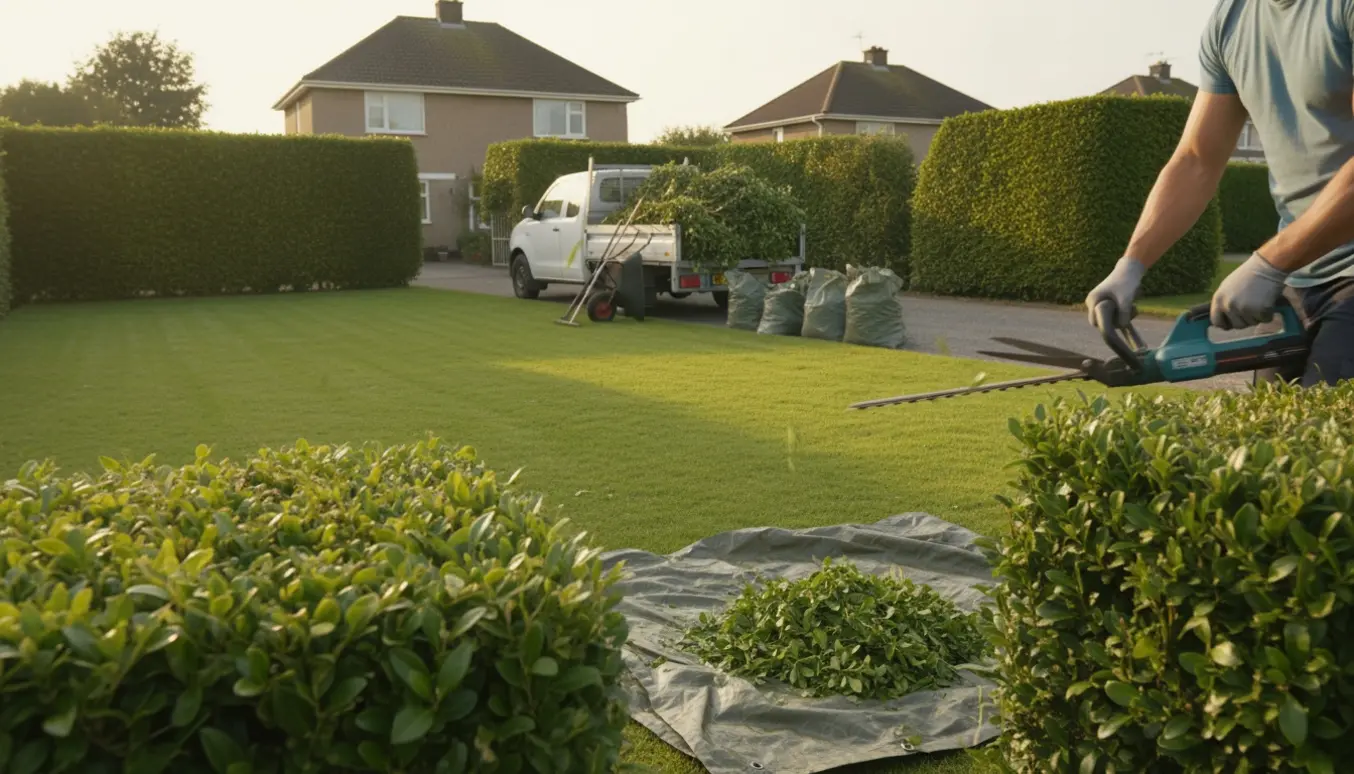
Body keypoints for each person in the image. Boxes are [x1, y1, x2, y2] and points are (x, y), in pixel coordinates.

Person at [1085, 0, 1354, 387]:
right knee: (1269, 439)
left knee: (1321, 436)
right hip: (1300, 281)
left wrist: (1269, 262)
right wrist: (1131, 265)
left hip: (1313, 271)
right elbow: (1196, 160)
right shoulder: (1233, 19)